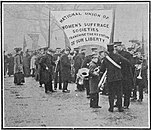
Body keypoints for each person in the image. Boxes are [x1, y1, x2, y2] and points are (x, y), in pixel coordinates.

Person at [100, 44, 130, 112]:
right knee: (119, 93)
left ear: (108, 50)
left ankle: (111, 108)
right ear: (113, 49)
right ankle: (120, 108)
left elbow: (102, 68)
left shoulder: (106, 58)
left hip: (110, 78)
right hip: (118, 78)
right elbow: (127, 62)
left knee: (111, 93)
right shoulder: (118, 56)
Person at [114, 42, 134, 109]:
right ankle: (118, 103)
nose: (116, 48)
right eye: (115, 47)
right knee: (118, 90)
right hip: (118, 75)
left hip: (126, 75)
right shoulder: (115, 55)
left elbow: (131, 64)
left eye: (117, 46)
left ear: (121, 47)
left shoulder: (127, 54)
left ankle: (126, 104)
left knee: (126, 90)